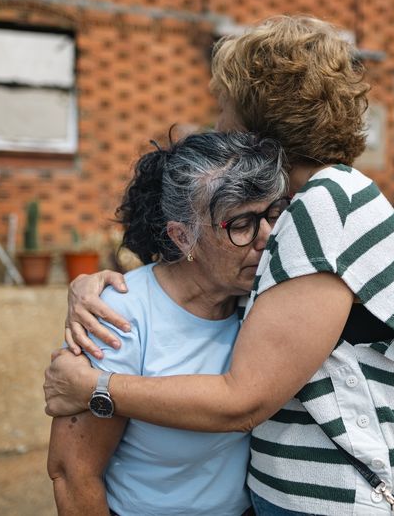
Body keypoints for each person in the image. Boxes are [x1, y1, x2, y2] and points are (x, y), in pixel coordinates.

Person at [45, 15, 394, 515]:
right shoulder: (308, 207)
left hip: (342, 500)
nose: (218, 123)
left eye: (223, 106)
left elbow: (244, 398)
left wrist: (95, 387)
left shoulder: (323, 205)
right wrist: (90, 286)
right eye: (246, 222)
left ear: (258, 116)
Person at [47, 130, 289, 515]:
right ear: (183, 237)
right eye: (242, 223)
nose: (267, 237)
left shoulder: (265, 298)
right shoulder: (120, 315)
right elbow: (73, 472)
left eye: (273, 214)